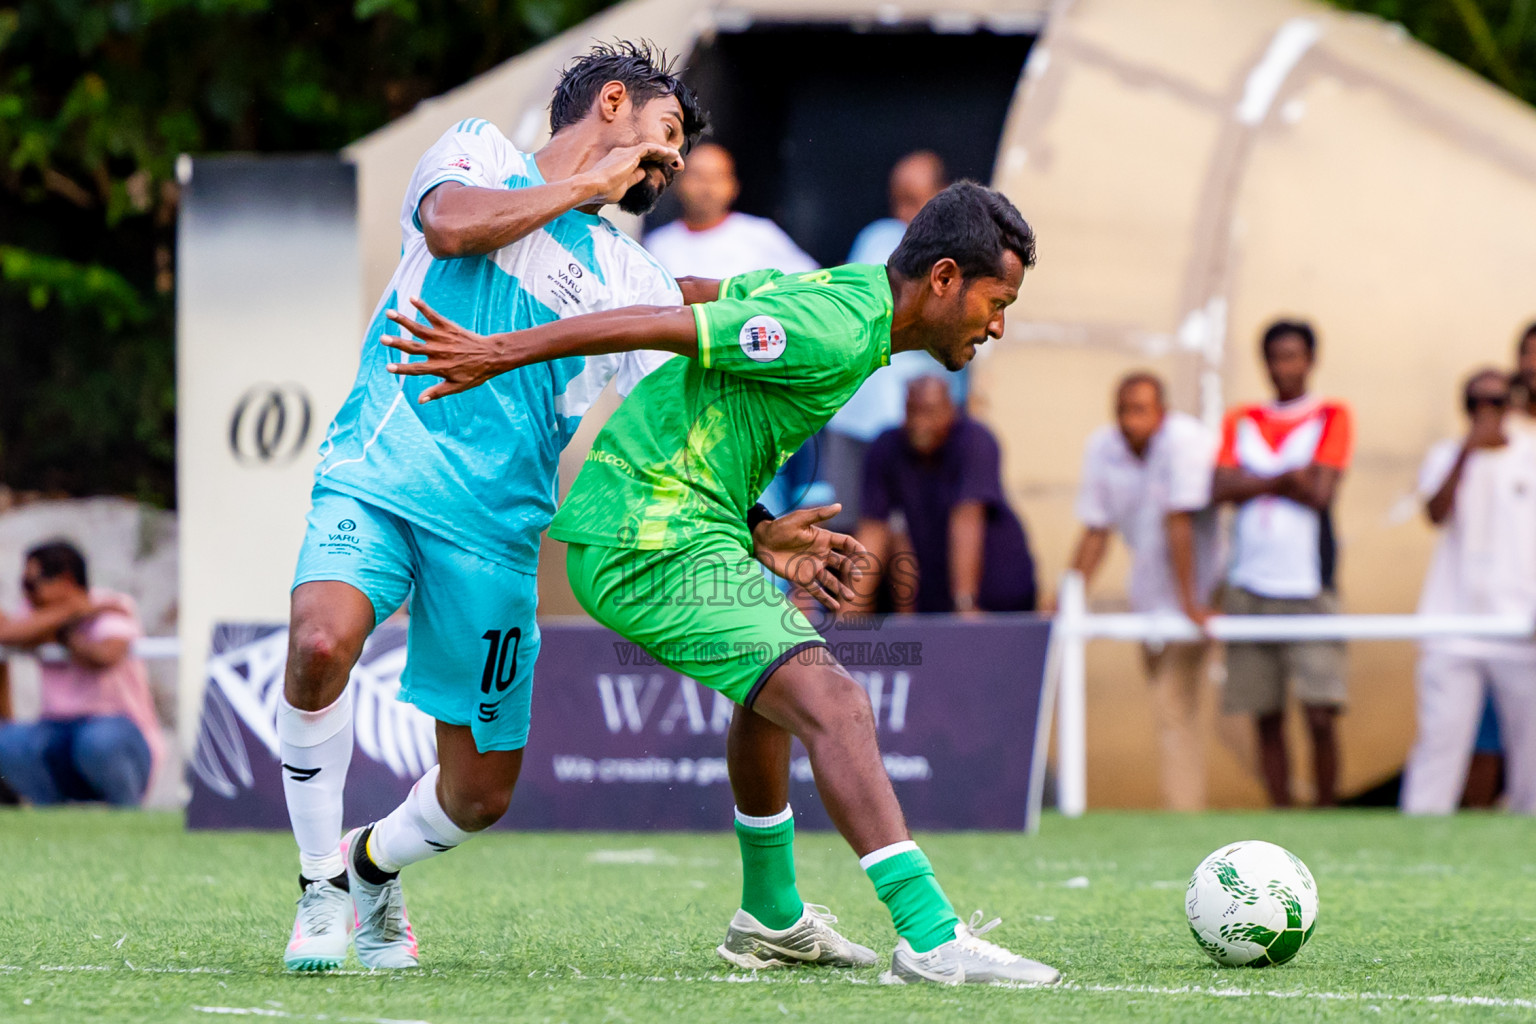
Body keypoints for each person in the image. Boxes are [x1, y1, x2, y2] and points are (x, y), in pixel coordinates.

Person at [384, 181, 1062, 986]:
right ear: (945, 279)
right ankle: (930, 935)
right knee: (834, 700)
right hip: (645, 539)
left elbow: (705, 295)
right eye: (998, 299)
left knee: (770, 692)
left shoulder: (849, 295)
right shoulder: (840, 328)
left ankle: (770, 916)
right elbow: (675, 324)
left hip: (681, 526)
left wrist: (753, 525)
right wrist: (500, 351)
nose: (999, 324)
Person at [277, 42, 728, 973]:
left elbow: (671, 429)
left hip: (497, 531)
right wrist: (586, 183)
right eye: (668, 131)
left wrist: (757, 523)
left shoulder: (628, 275)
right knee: (320, 642)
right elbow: (451, 227)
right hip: (380, 471)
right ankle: (319, 886)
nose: (674, 160)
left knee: (479, 794)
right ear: (612, 102)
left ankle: (370, 866)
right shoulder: (479, 150)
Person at [1057, 372, 1221, 810]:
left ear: (1161, 412)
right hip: (1148, 595)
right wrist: (1068, 595)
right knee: (1173, 706)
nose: (1130, 421)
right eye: (1124, 410)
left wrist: (1191, 603)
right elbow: (1096, 529)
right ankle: (1185, 807)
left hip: (1203, 592)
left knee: (1173, 707)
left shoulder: (1186, 442)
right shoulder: (1103, 447)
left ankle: (1183, 812)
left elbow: (1180, 523)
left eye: (1140, 410)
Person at [1211, 320, 1353, 808]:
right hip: (1249, 582)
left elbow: (1320, 493)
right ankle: (1282, 813)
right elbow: (1218, 487)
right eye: (1276, 357)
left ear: (1310, 360)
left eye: (1293, 356)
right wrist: (1286, 478)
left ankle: (1326, 809)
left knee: (1320, 711)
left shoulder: (1332, 414)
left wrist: (1255, 479)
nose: (1284, 368)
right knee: (1264, 712)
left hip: (1308, 583)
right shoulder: (1242, 418)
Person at [1401, 369, 1536, 814]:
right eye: (1476, 402)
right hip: (1452, 624)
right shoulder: (1446, 456)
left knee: (1530, 755)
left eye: (1496, 401)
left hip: (1520, 627)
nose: (1487, 411)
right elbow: (1436, 513)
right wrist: (1467, 451)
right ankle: (1417, 841)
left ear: (1512, 404)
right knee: (1439, 745)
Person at [823, 152, 953, 530]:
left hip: (912, 417)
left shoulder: (959, 248)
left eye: (913, 200)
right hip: (852, 411)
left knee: (904, 532)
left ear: (942, 194)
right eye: (897, 199)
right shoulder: (876, 237)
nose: (901, 211)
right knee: (841, 524)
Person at [852, 376, 1036, 615]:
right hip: (935, 605)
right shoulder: (887, 447)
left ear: (950, 409)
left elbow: (967, 520)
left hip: (997, 601)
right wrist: (847, 615)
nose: (920, 422)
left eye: (929, 412)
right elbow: (873, 531)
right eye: (912, 411)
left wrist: (965, 606)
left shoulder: (975, 440)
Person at [0, 541, 162, 807]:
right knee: (8, 741)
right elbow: (7, 635)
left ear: (65, 580)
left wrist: (67, 633)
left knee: (97, 740)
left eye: (32, 584)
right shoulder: (39, 613)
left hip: (118, 733)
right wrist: (73, 612)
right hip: (56, 731)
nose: (26, 594)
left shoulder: (112, 603)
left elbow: (105, 657)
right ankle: (51, 818)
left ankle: (127, 815)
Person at [643, 143, 817, 279]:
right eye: (698, 176)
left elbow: (808, 281)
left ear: (734, 186)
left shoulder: (761, 234)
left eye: (717, 177)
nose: (707, 187)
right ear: (678, 185)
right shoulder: (657, 245)